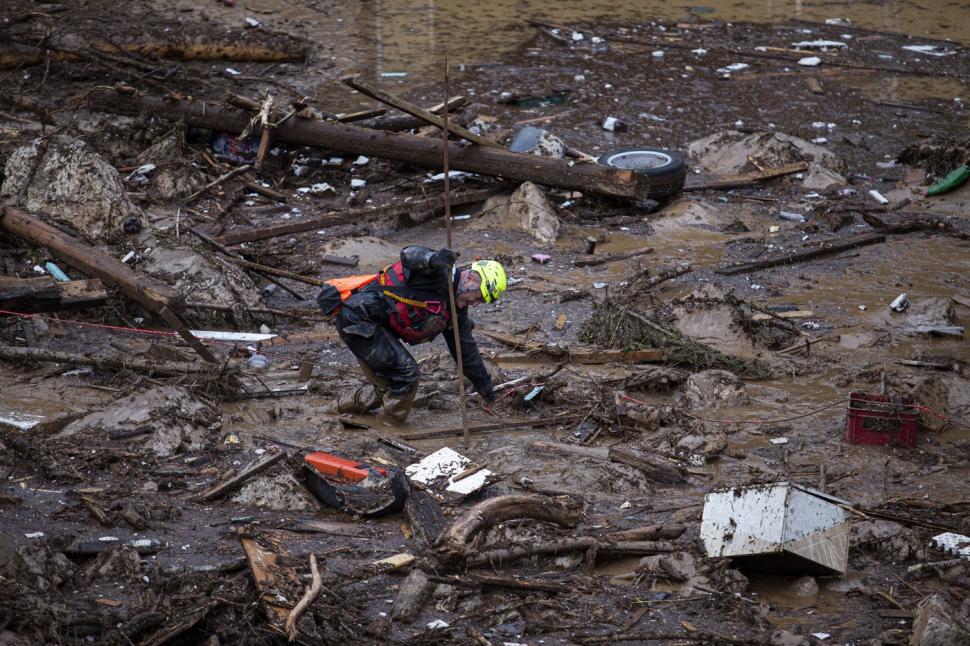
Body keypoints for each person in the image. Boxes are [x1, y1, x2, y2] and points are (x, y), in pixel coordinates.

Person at [328, 245, 506, 425]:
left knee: (388, 384)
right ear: (471, 280)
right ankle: (390, 426)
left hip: (374, 326)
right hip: (359, 320)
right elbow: (409, 255)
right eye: (479, 297)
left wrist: (487, 391)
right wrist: (433, 258)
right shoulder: (437, 272)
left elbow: (466, 352)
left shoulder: (456, 311)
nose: (476, 304)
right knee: (406, 375)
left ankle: (333, 410)